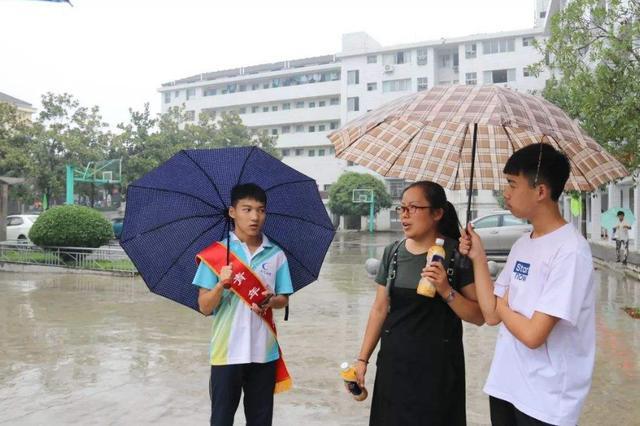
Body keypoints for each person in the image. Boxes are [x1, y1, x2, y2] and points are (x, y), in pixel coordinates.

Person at [460, 143, 596, 426]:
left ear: (541, 191)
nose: (505, 193)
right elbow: (491, 314)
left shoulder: (570, 251)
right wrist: (478, 256)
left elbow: (534, 335)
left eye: (512, 184)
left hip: (546, 401)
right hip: (506, 385)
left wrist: (504, 304)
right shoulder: (524, 243)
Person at [355, 181, 484, 426]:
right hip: (394, 366)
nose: (404, 215)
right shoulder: (393, 253)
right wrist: (362, 360)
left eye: (413, 208)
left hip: (439, 373)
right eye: (401, 208)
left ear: (437, 213)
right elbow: (379, 309)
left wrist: (446, 290)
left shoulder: (457, 255)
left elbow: (479, 316)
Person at [193, 183, 293, 426]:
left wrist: (271, 301)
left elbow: (284, 300)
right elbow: (204, 307)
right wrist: (220, 286)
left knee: (260, 420)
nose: (255, 217)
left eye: (260, 210)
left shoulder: (276, 254)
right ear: (232, 212)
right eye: (247, 209)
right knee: (221, 420)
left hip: (263, 353)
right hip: (226, 353)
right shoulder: (215, 255)